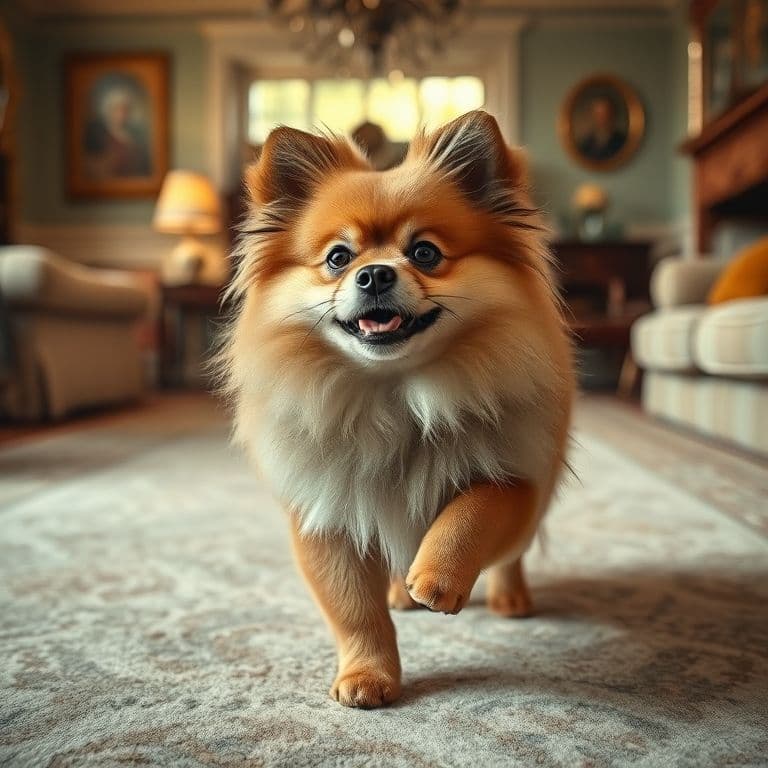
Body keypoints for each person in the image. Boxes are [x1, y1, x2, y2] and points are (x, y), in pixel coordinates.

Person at [83, 85, 151, 179]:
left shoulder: (134, 136)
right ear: (109, 111)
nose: (122, 115)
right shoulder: (100, 136)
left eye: (125, 110)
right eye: (118, 110)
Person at [578, 96, 627, 162]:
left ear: (613, 116)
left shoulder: (623, 142)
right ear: (592, 116)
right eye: (598, 115)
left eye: (606, 114)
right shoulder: (585, 144)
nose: (602, 119)